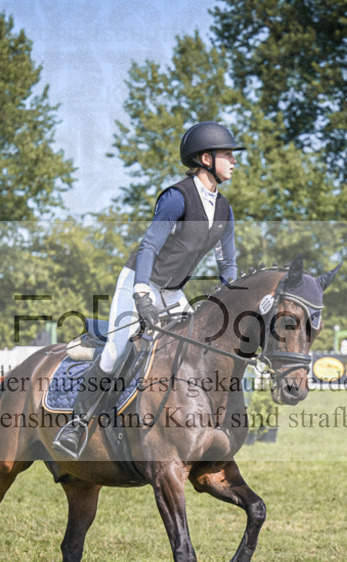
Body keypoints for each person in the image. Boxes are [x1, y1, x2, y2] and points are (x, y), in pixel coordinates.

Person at [53, 121, 244, 459]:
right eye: (227, 154)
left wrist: (237, 299)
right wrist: (141, 293)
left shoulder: (225, 209)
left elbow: (227, 265)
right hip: (138, 282)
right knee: (116, 351)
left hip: (172, 292)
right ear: (205, 158)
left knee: (203, 349)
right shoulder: (177, 197)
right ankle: (77, 425)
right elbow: (150, 247)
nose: (234, 160)